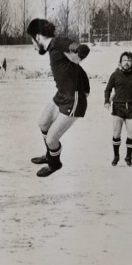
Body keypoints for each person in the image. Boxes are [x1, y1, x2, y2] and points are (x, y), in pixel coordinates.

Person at [27, 18, 91, 177]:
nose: (33, 45)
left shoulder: (58, 42)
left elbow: (77, 47)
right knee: (43, 123)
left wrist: (80, 50)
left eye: (32, 41)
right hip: (62, 95)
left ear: (38, 37)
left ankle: (55, 163)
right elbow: (76, 69)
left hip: (74, 100)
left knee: (51, 140)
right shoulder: (52, 49)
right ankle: (50, 155)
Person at [104, 51, 132, 167]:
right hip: (118, 107)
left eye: (129, 60)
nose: (126, 63)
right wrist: (106, 101)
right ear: (120, 62)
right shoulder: (115, 75)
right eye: (124, 60)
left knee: (131, 133)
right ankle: (116, 156)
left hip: (131, 107)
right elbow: (107, 89)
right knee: (116, 133)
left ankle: (128, 157)